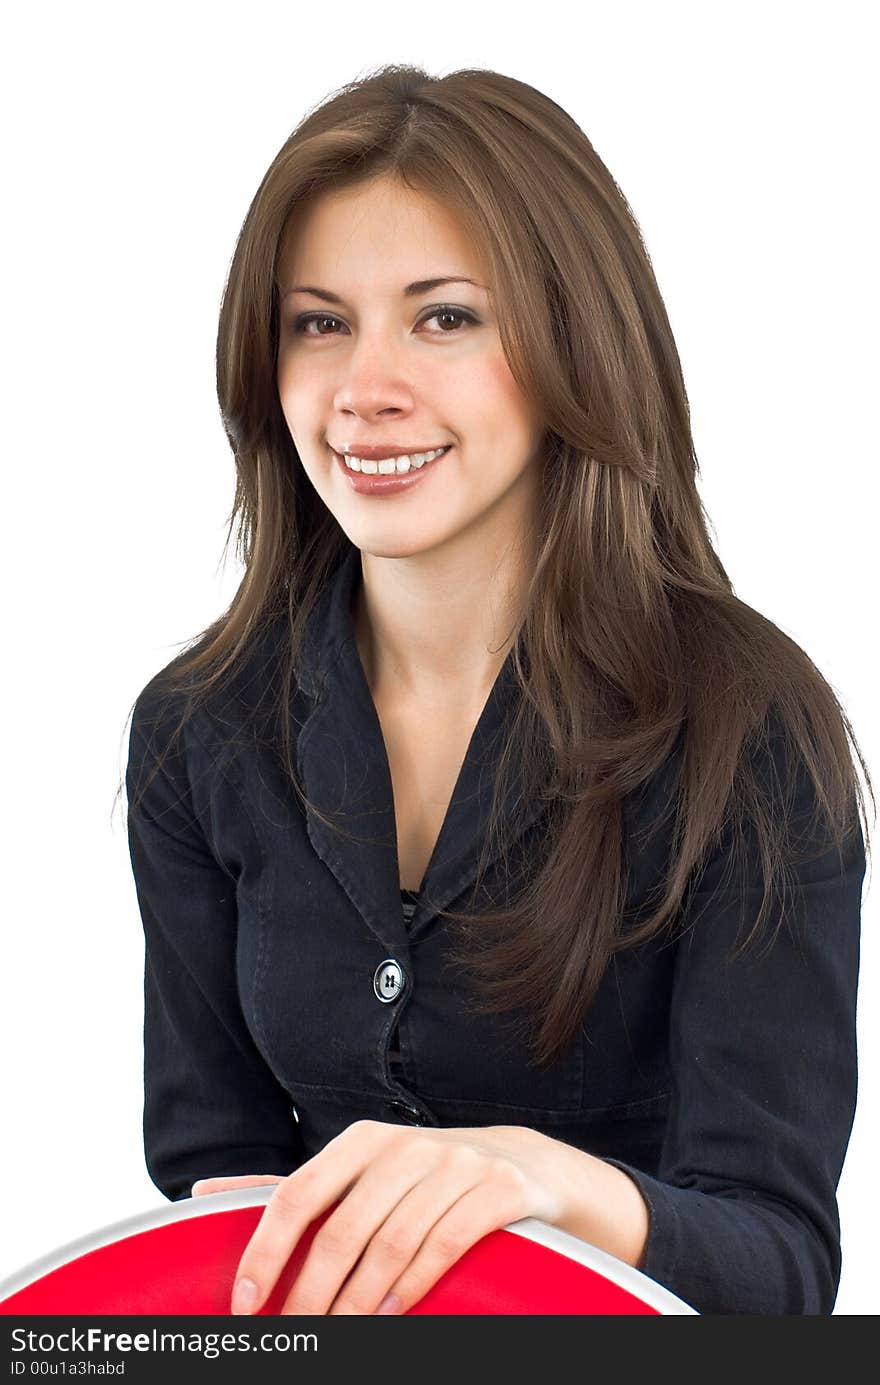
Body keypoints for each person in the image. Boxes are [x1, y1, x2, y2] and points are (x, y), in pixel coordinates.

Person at [123, 63, 871, 1318]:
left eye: (444, 316)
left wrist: (541, 1178)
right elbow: (215, 1197)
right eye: (318, 322)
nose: (365, 386)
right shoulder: (196, 731)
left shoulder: (747, 727)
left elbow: (782, 1270)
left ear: (574, 336)